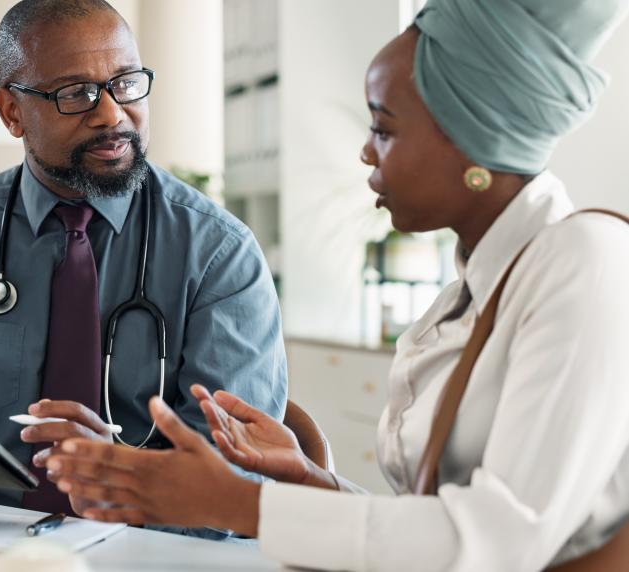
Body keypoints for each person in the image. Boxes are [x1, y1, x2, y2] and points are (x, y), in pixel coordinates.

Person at [44, 0, 629, 568]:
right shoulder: (474, 291)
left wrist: (236, 503)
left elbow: (497, 545)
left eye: (385, 128)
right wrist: (314, 483)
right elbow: (431, 535)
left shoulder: (586, 261)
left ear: (471, 137)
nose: (366, 151)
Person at [0, 0, 287, 521]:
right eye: (76, 93)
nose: (112, 113)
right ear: (11, 112)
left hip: (155, 548)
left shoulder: (218, 251)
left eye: (126, 82)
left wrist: (123, 480)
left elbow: (233, 477)